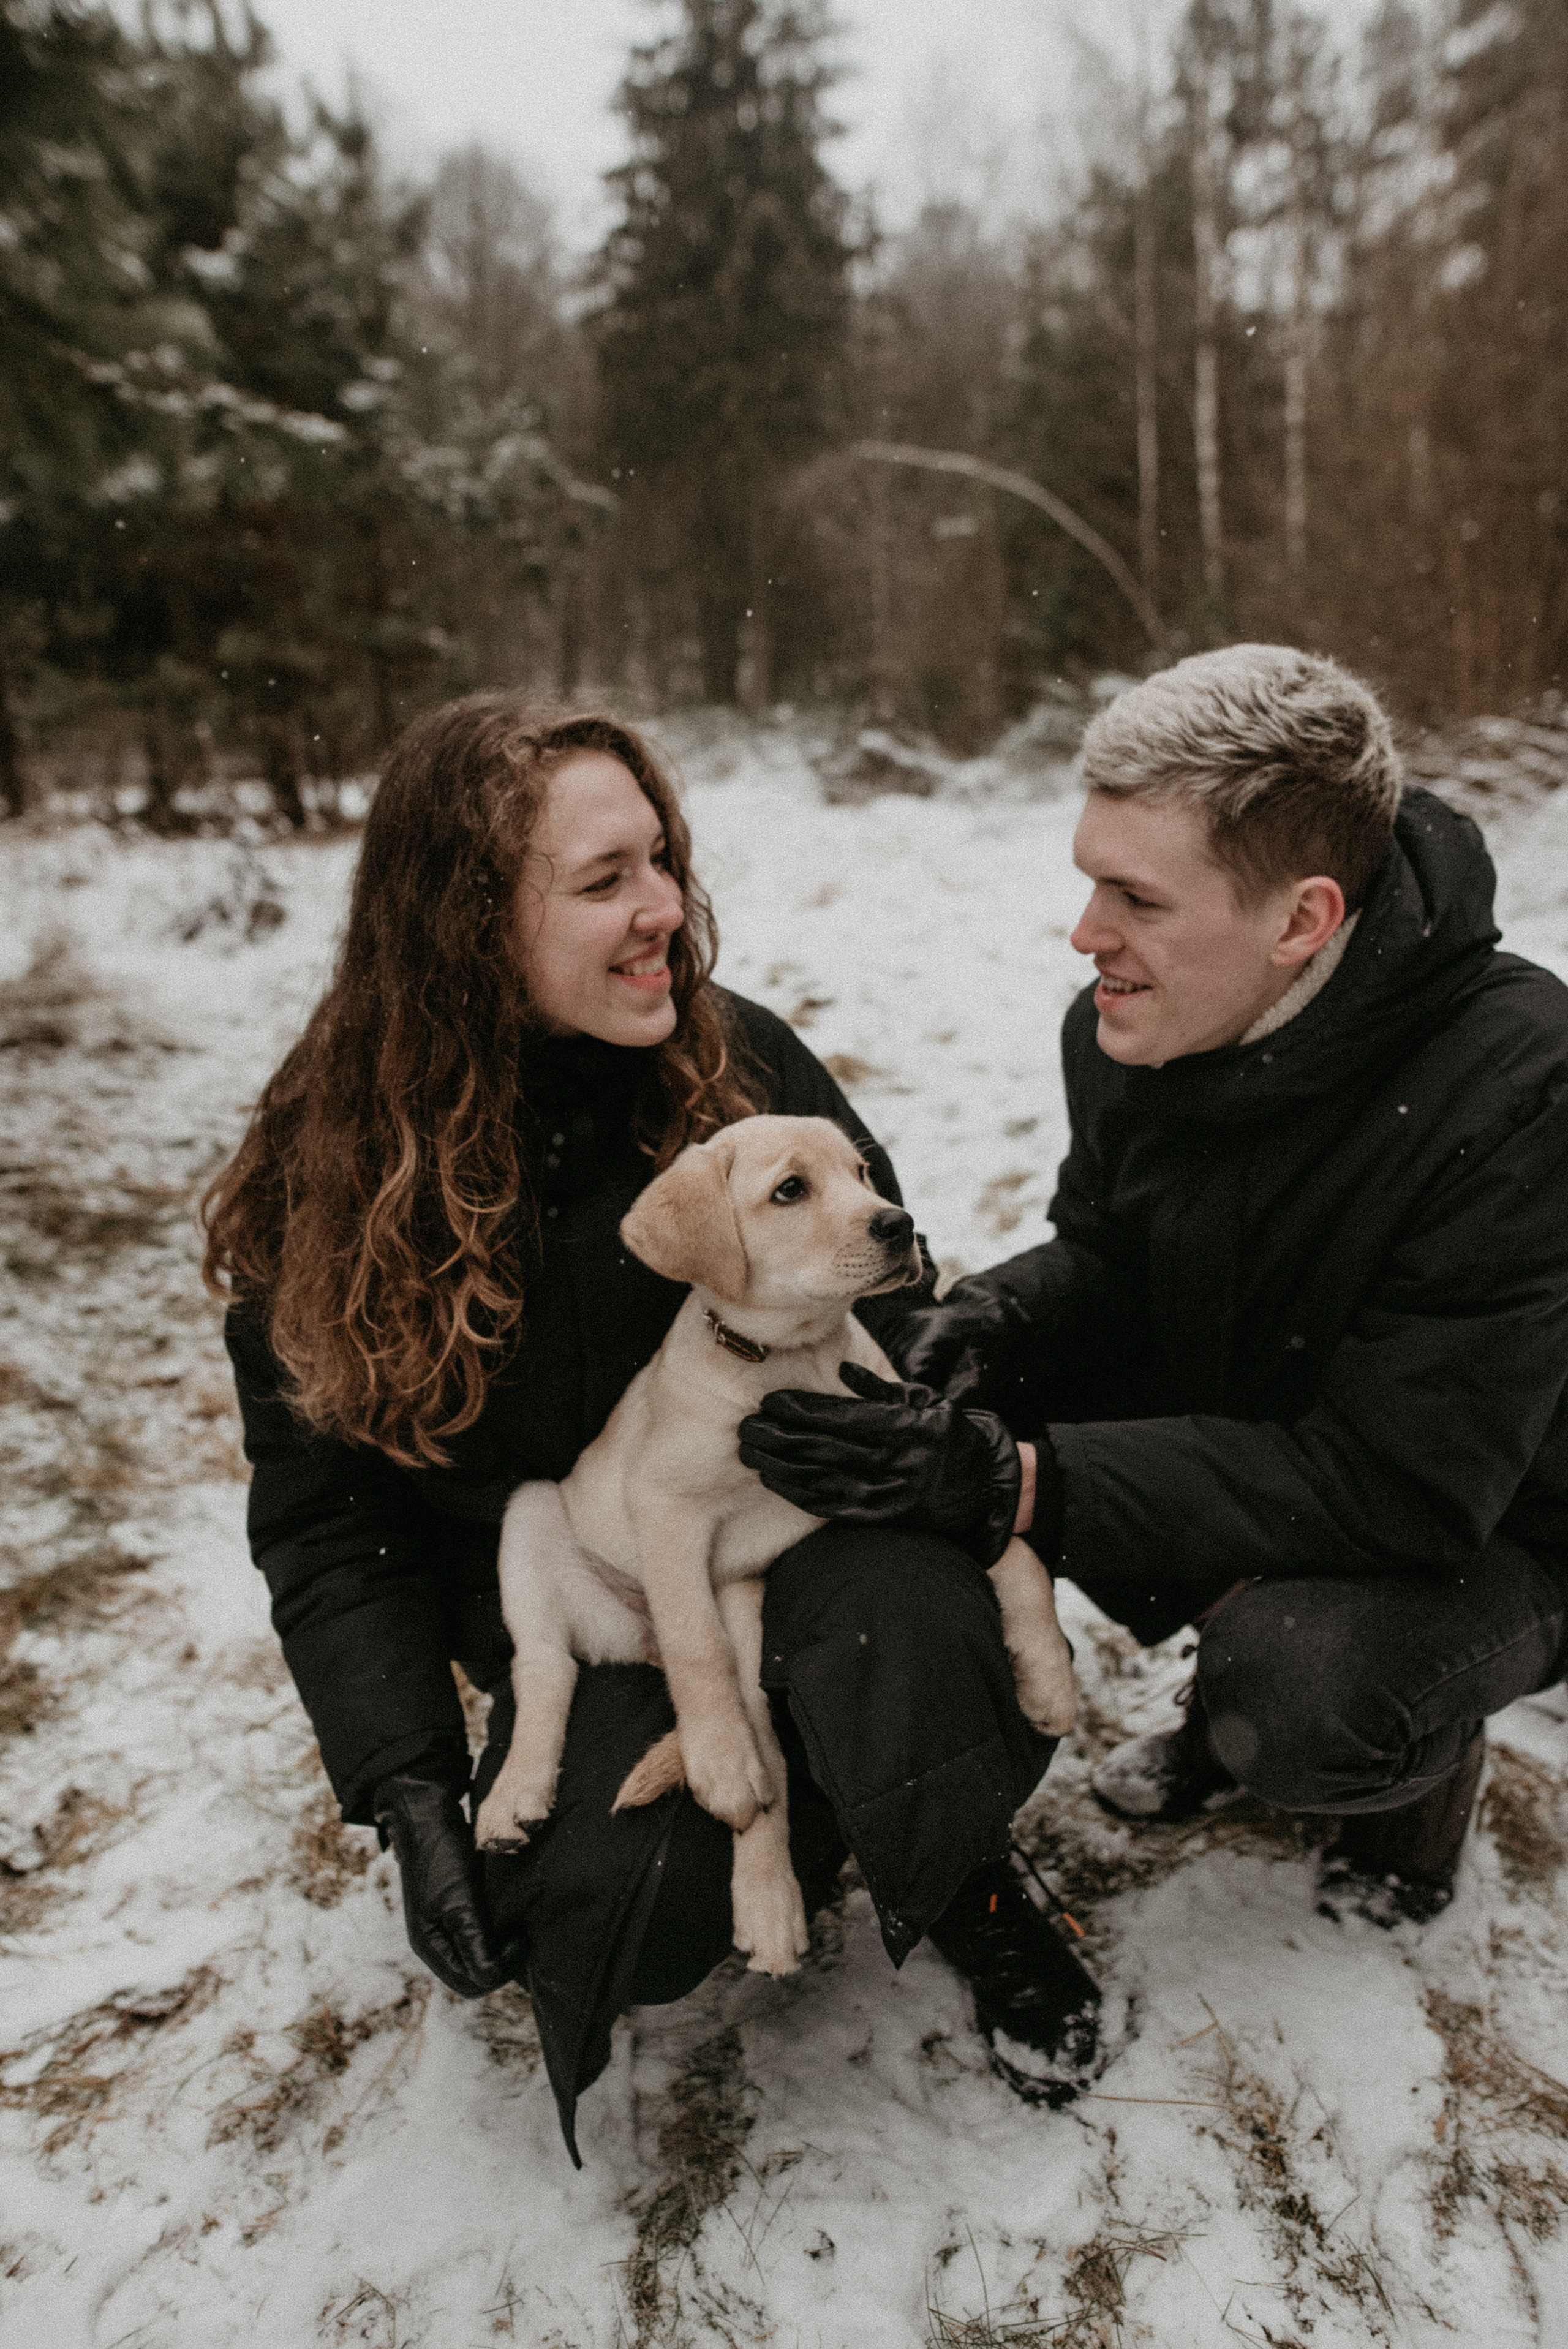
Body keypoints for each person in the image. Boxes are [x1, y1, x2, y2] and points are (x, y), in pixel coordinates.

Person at [203, 692, 1100, 2164]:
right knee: (622, 1914)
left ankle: (960, 1872)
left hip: (813, 1526)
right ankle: (808, 1792)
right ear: (464, 922)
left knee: (905, 1628)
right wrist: (408, 1784)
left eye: (663, 860)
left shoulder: (736, 1063)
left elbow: (888, 1278)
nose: (665, 912)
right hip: (608, 1582)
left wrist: (933, 1410)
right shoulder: (333, 1163)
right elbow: (326, 1521)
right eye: (604, 880)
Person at [743, 644, 1568, 1931]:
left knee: (1304, 1686)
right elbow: (1111, 1254)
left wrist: (1023, 1480)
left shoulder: (1521, 1085)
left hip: (1490, 1518)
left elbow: (1409, 1481)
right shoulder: (1121, 1022)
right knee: (960, 1386)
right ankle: (1224, 1703)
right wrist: (993, 1316)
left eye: (1133, 897)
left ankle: (1406, 1772)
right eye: (1087, 883)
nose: (1085, 936)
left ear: (1299, 920)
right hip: (1269, 1403)